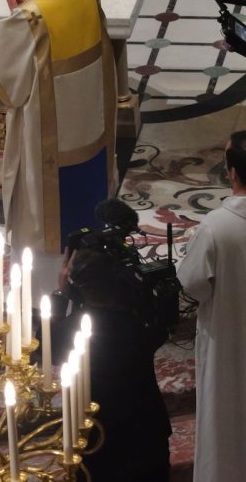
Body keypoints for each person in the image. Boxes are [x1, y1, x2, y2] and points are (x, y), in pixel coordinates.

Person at [0, 0, 117, 288]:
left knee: (46, 222)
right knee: (86, 213)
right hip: (89, 132)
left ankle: (46, 294)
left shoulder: (31, 17)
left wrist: (16, 19)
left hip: (50, 145)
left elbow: (6, 78)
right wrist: (28, 15)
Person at [50, 206, 171, 481]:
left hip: (96, 440)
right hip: (146, 436)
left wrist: (60, 293)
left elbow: (43, 347)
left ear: (76, 285)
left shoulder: (72, 331)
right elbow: (164, 326)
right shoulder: (140, 324)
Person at [177, 131, 246, 482]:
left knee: (226, 429)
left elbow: (192, 284)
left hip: (227, 343)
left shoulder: (216, 226)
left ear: (231, 173)